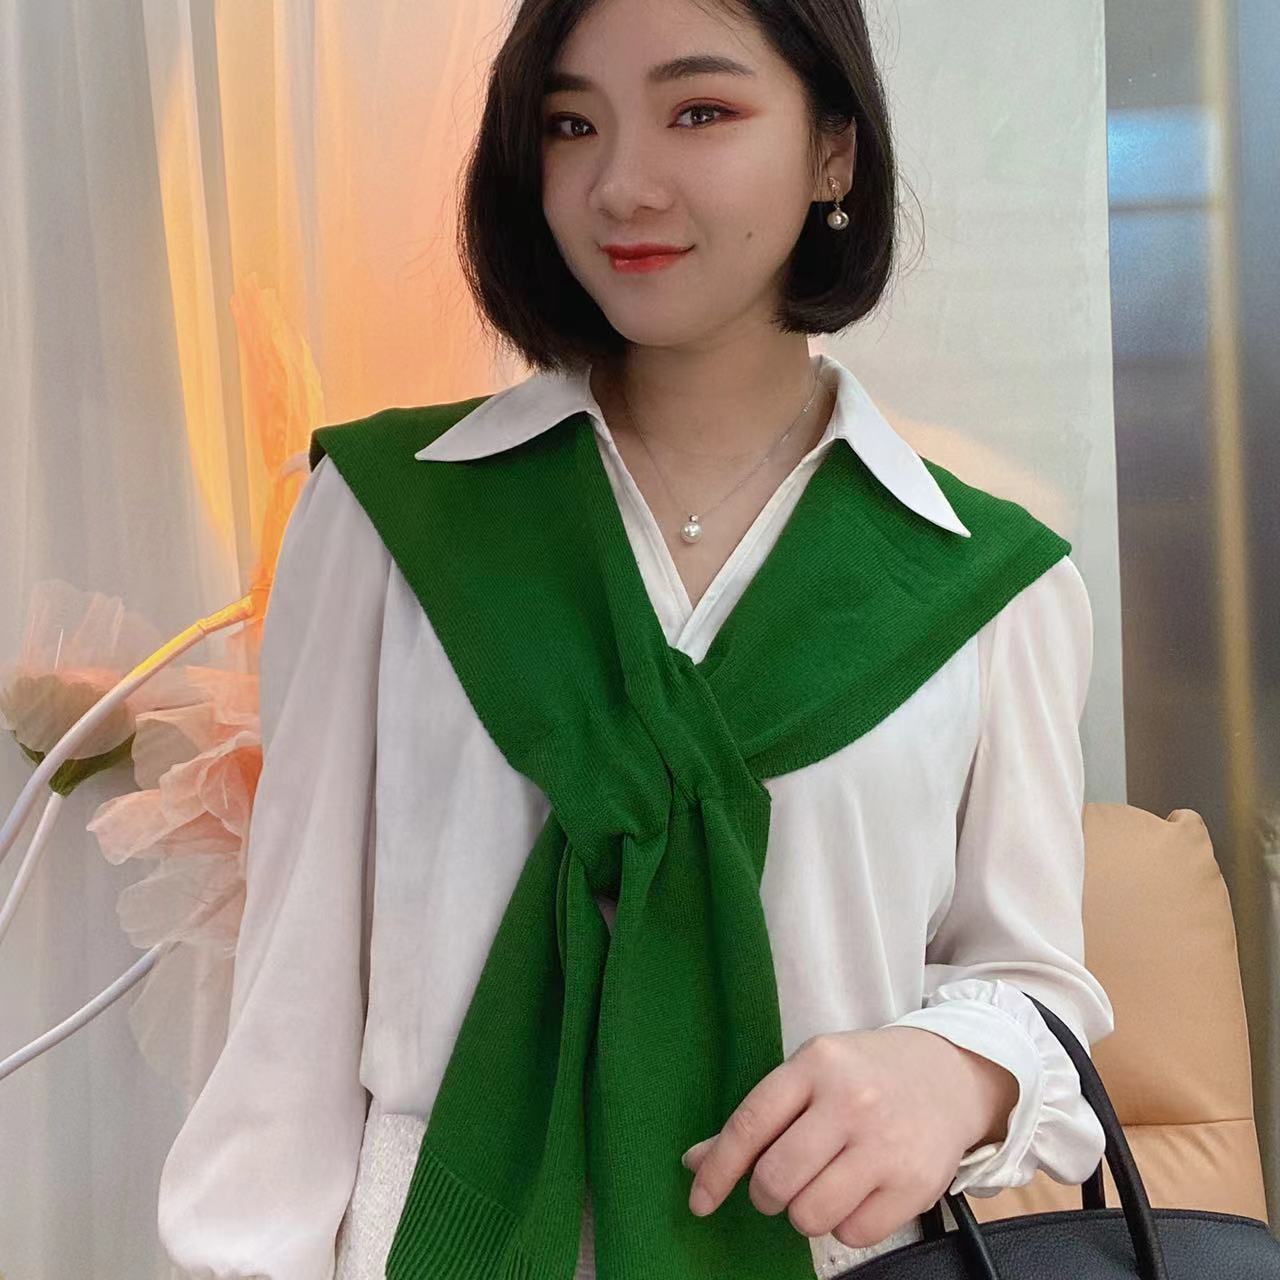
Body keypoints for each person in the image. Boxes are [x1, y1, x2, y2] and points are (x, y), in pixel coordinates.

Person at [156, 0, 1115, 1276]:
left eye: (698, 111)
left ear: (833, 151)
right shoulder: (387, 516)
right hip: (441, 1239)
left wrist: (955, 1069)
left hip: (825, 1249)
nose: (620, 184)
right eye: (570, 124)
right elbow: (293, 1005)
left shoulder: (989, 584)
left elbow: (1036, 987)